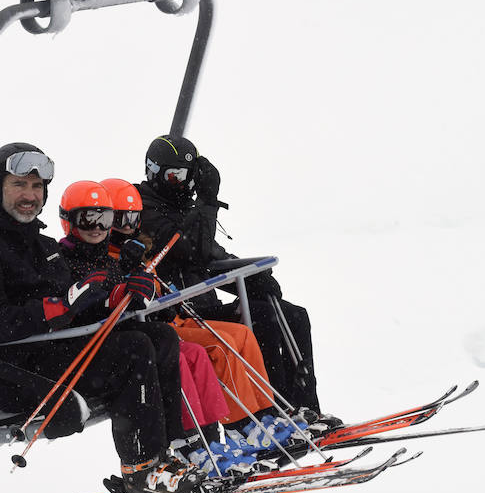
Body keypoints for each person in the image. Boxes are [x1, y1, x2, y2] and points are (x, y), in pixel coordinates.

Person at [0, 143, 207, 493]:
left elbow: (76, 303)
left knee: (158, 336)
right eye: (19, 184)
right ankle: (142, 470)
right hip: (15, 372)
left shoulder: (41, 244)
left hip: (53, 353)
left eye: (37, 188)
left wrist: (117, 297)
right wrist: (57, 306)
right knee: (133, 349)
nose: (29, 196)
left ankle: (169, 457)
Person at [135, 135, 341, 428]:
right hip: (181, 311)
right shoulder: (145, 210)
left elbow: (211, 257)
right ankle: (279, 411)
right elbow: (191, 250)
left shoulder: (184, 210)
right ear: (154, 172)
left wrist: (251, 276)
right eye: (175, 175)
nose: (184, 184)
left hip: (203, 302)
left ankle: (305, 408)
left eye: (190, 176)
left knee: (292, 314)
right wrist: (207, 203)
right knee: (263, 319)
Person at [57, 180, 227, 446]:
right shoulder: (65, 260)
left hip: (134, 336)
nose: (99, 227)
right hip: (97, 351)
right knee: (168, 352)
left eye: (105, 219)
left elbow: (146, 298)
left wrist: (143, 288)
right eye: (88, 219)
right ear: (69, 220)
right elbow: (83, 303)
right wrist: (121, 293)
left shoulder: (116, 257)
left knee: (193, 353)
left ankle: (209, 439)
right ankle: (181, 443)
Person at [101, 178, 277, 429]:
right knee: (220, 346)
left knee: (243, 334)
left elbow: (165, 278)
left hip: (175, 317)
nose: (128, 228)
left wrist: (167, 292)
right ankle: (243, 426)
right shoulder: (106, 256)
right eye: (120, 221)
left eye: (133, 219)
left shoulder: (142, 247)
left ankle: (265, 414)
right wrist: (126, 270)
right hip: (156, 328)